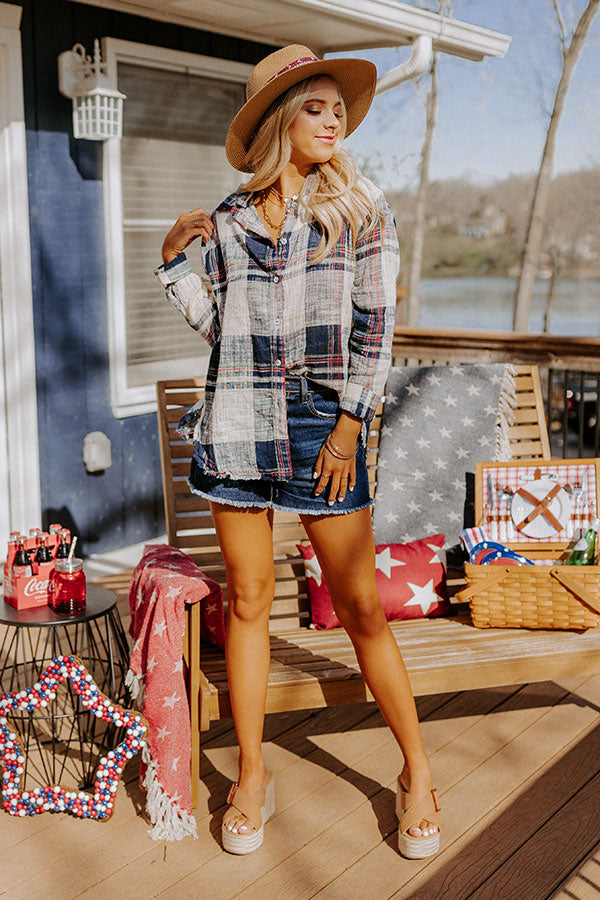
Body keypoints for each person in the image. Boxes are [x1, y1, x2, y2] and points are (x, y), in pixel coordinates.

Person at [155, 44, 441, 859]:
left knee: (358, 609)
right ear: (281, 119)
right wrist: (179, 263)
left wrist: (352, 424)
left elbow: (376, 331)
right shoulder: (232, 218)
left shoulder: (361, 207)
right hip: (238, 425)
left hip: (327, 431)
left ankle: (417, 772)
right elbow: (222, 334)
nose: (332, 119)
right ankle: (252, 773)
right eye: (314, 106)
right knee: (246, 604)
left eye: (336, 108)